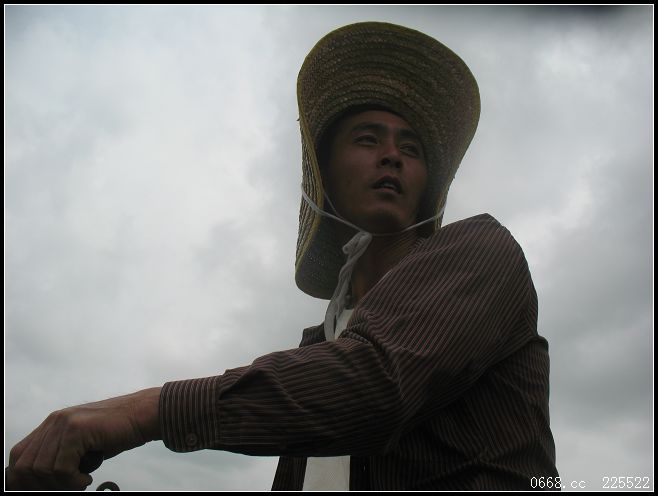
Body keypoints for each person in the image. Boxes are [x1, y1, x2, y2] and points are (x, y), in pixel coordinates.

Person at [6, 22, 559, 491]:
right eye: (368, 139)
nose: (392, 155)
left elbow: (374, 387)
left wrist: (139, 413)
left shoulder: (482, 251)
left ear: (425, 181)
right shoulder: (318, 348)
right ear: (326, 175)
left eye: (410, 148)